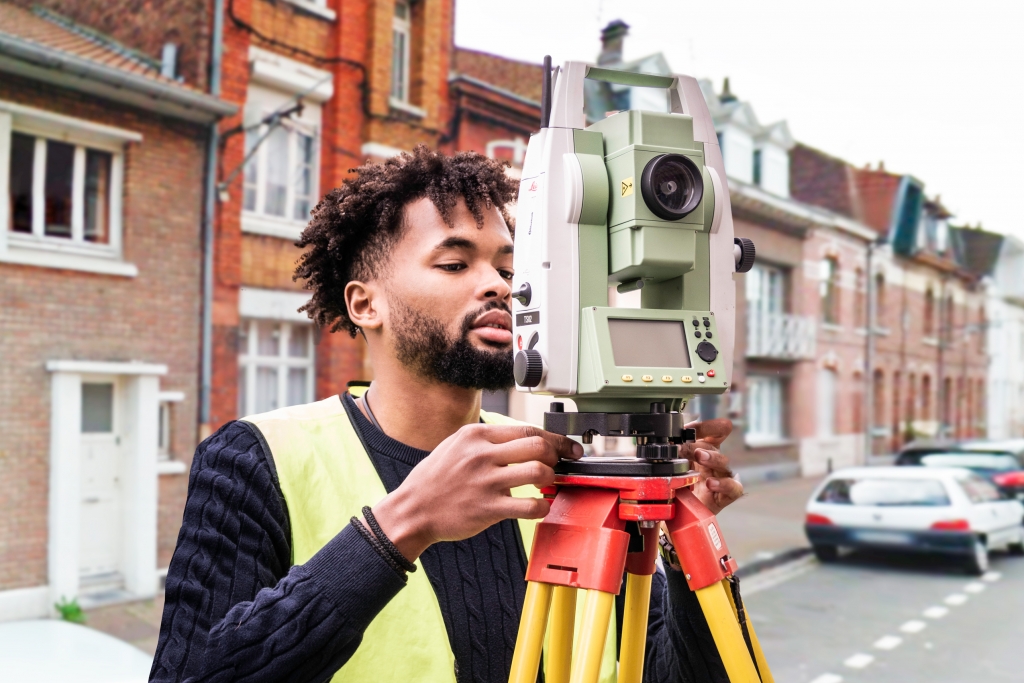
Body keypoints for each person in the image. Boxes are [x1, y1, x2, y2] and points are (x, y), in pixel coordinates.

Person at [150, 146, 743, 683]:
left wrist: (687, 549)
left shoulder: (566, 473)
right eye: (456, 264)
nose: (500, 287)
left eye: (509, 271)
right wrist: (397, 530)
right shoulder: (254, 459)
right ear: (365, 303)